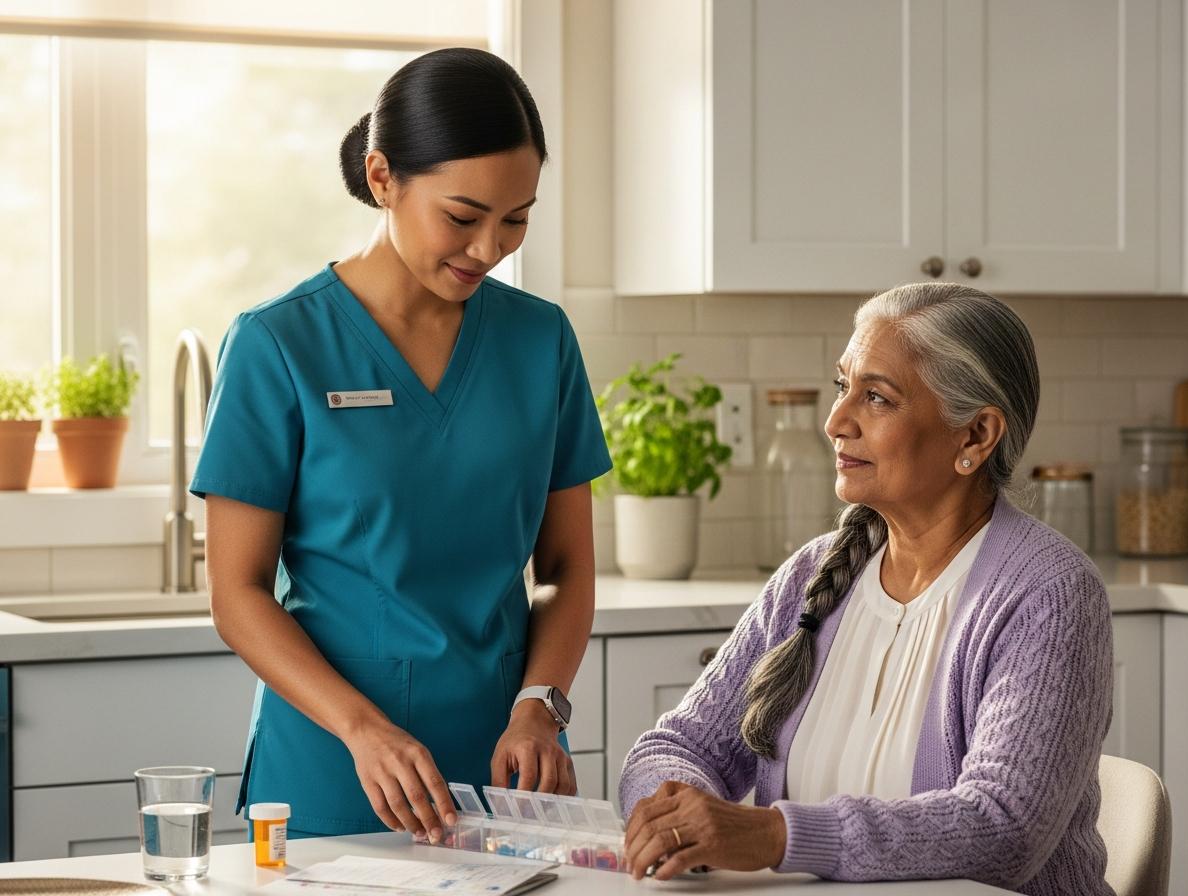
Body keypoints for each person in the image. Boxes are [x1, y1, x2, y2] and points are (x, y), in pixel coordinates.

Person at [192, 47, 611, 842]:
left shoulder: (541, 341)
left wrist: (541, 706)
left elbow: (564, 569)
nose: (489, 249)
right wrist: (361, 730)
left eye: (515, 219)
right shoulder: (279, 344)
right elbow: (237, 594)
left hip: (506, 772)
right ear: (383, 178)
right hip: (333, 769)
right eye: (462, 216)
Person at [618, 283, 1114, 895]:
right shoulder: (810, 577)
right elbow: (674, 745)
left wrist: (773, 835)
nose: (835, 422)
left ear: (976, 436)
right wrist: (673, 812)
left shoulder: (1049, 594)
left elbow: (1003, 829)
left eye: (876, 398)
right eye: (841, 386)